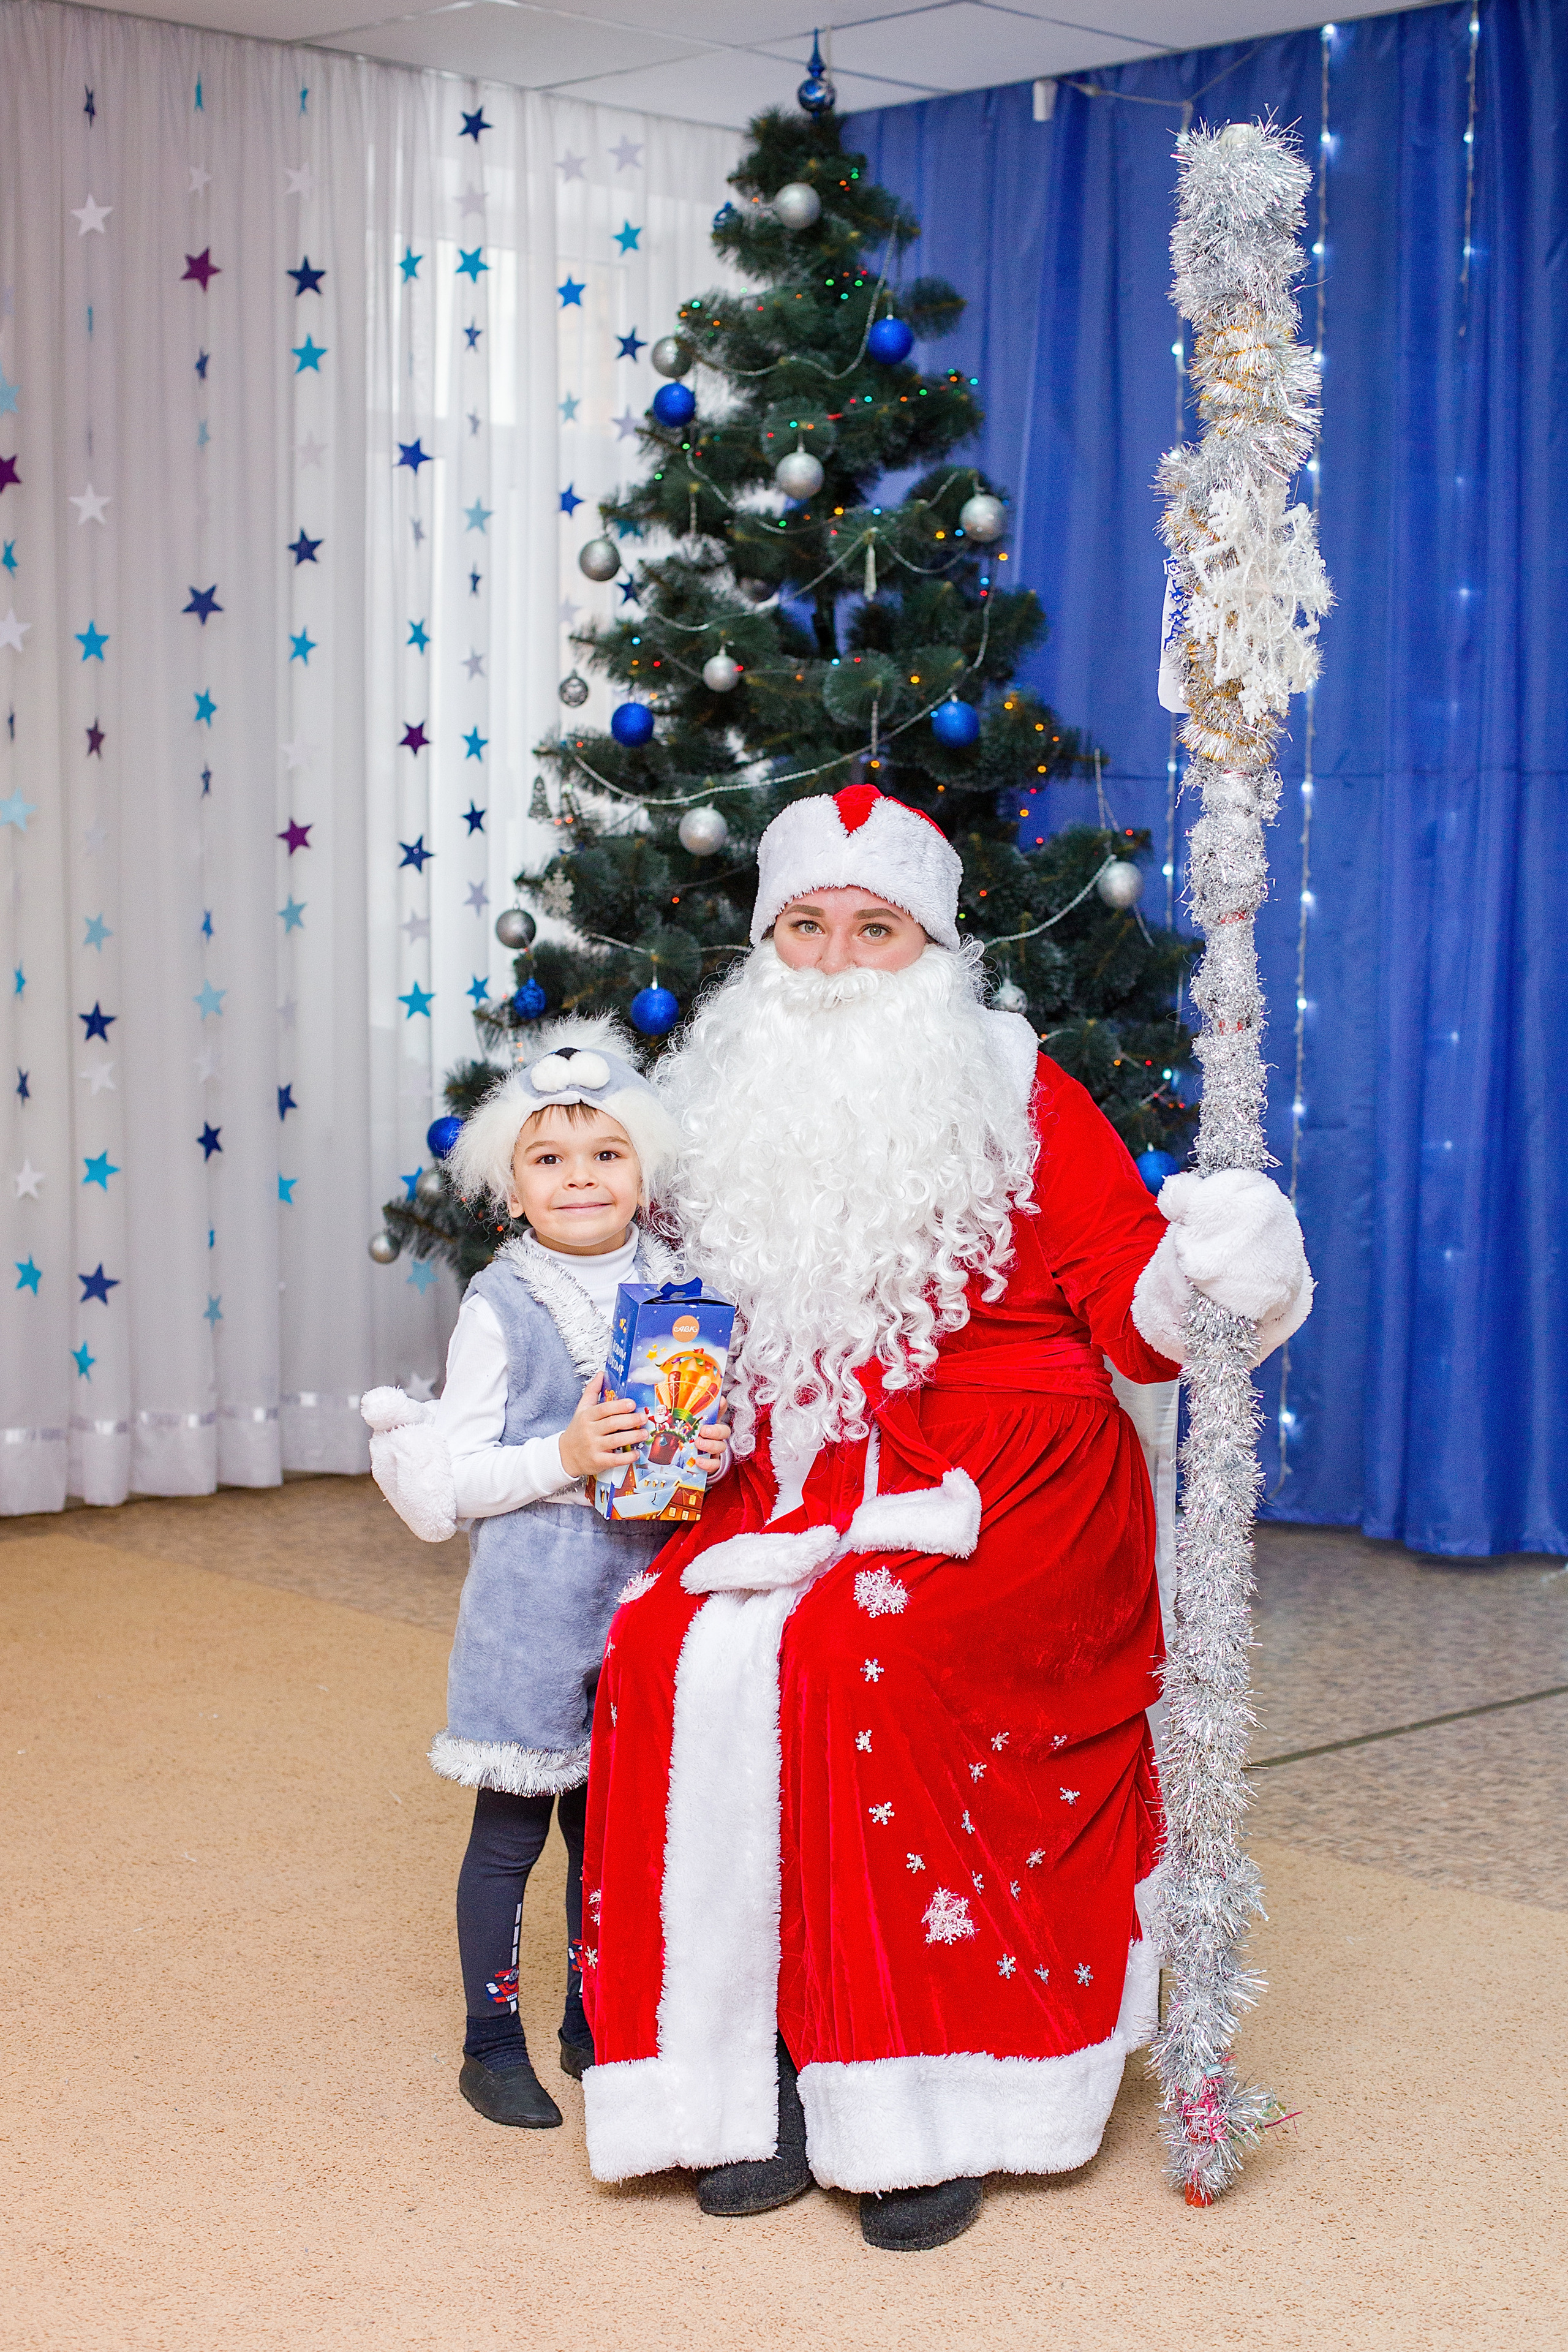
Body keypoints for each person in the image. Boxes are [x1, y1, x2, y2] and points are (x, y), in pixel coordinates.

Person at [578, 786, 1312, 2250]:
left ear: (932, 945)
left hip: (1012, 1489)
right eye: (805, 928)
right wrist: (649, 1444)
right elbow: (670, 1330)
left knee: (865, 1651)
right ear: (761, 945)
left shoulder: (1019, 1091)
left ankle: (922, 2101)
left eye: (874, 929)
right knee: (665, 1642)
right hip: (780, 1471)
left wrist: (1218, 1265)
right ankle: (752, 2075)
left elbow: (1135, 1315)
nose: (837, 961)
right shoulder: (709, 1103)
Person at [362, 1022, 728, 2130]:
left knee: (609, 1829)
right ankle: (489, 2040)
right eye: (550, 1160)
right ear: (511, 1190)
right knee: (515, 1828)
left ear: (644, 1170)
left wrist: (713, 1449)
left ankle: (588, 2015)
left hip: (647, 1595)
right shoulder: (501, 1307)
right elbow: (455, 1479)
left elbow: (714, 1420)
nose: (581, 1178)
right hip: (532, 1603)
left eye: (606, 1154)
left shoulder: (682, 1285)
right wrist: (563, 1458)